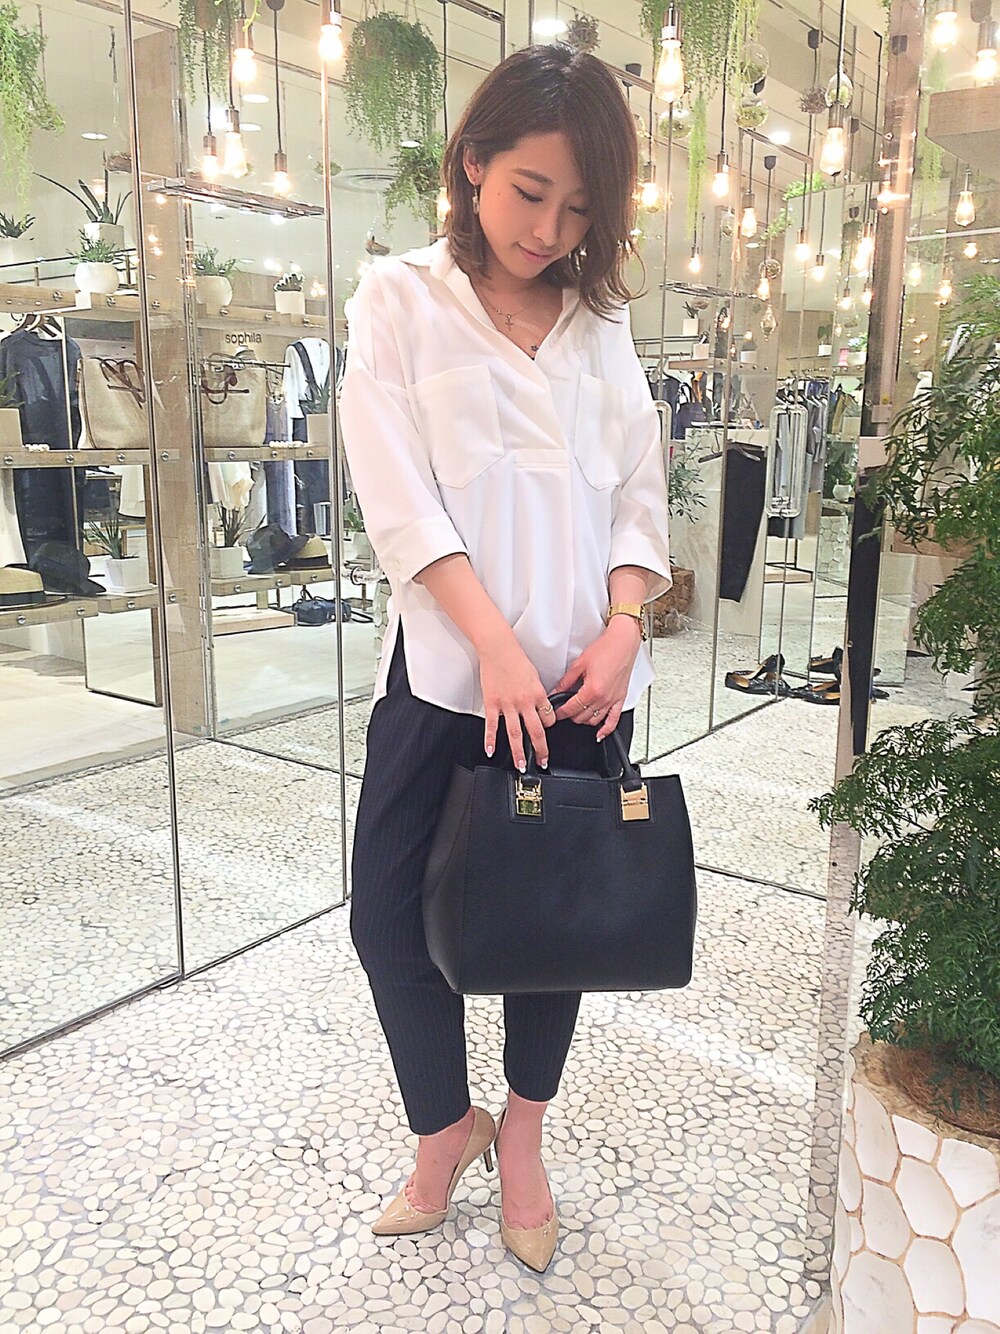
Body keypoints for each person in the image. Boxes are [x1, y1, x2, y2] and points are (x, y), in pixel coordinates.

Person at [338, 42, 672, 1274]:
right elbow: (397, 495)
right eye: (530, 191)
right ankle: (446, 1127)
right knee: (383, 916)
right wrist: (490, 643)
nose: (548, 230)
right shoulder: (399, 299)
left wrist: (625, 626)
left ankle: (521, 1136)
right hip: (443, 676)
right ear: (472, 163)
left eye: (578, 208)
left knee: (552, 925)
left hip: (580, 686)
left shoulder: (600, 325)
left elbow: (637, 495)